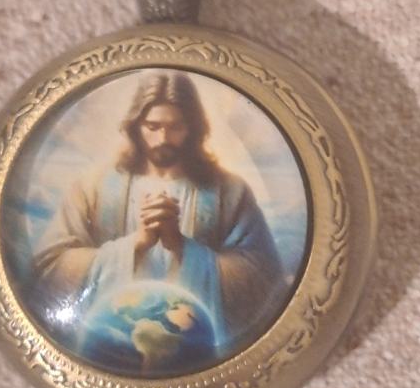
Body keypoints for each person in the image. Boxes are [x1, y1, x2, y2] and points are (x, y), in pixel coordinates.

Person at [32, 71, 282, 349]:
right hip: (111, 340)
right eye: (152, 126)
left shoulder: (230, 192)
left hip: (194, 342)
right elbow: (48, 264)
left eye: (176, 127)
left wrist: (183, 248)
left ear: (193, 129)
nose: (163, 138)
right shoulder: (93, 187)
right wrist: (134, 246)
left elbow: (263, 276)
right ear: (135, 127)